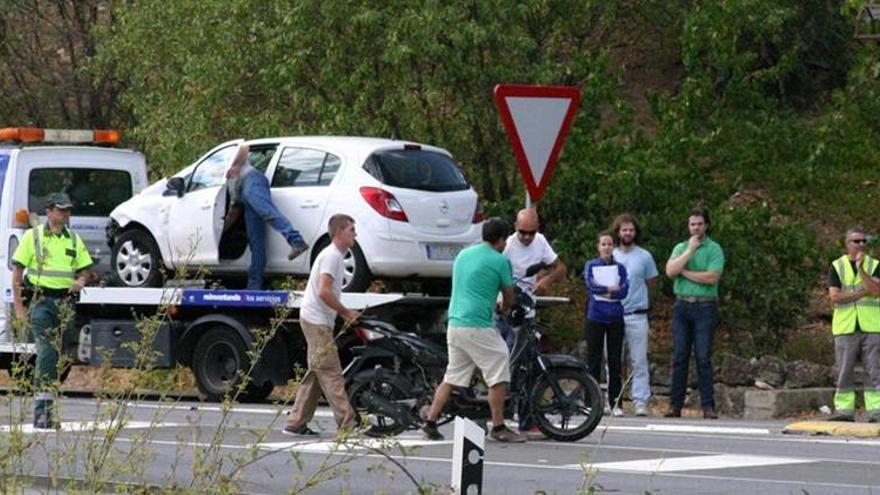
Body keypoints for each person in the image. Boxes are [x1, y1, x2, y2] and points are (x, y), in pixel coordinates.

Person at [422, 217, 526, 443]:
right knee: (499, 369)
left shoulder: (463, 255)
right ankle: (498, 426)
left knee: (452, 375)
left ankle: (430, 421)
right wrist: (505, 308)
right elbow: (509, 295)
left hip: (456, 323)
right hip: (477, 325)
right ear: (501, 240)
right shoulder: (499, 261)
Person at [12, 192, 93, 429]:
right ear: (49, 211)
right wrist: (19, 308)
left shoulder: (74, 240)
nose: (65, 214)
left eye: (68, 210)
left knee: (63, 357)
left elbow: (85, 269)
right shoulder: (33, 237)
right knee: (47, 352)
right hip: (41, 303)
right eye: (61, 209)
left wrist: (81, 280)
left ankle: (48, 406)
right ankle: (42, 415)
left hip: (65, 304)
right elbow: (16, 274)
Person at [282, 214, 360, 436]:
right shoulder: (332, 256)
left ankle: (296, 422)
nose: (355, 234)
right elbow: (324, 290)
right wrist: (345, 313)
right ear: (338, 232)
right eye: (351, 230)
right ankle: (347, 424)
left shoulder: (335, 255)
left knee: (318, 371)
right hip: (317, 320)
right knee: (331, 372)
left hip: (317, 319)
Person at [502, 207, 566, 438]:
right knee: (509, 360)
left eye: (531, 232)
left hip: (528, 309)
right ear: (515, 228)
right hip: (508, 310)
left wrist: (547, 279)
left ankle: (528, 419)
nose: (527, 237)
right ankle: (501, 412)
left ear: (537, 229)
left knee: (530, 364)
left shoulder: (541, 241)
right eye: (522, 233)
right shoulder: (508, 246)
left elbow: (560, 267)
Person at [664, 207, 724, 419]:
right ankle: (675, 405)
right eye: (692, 224)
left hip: (705, 307)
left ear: (706, 225)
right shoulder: (681, 247)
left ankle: (708, 406)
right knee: (680, 356)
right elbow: (670, 271)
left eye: (699, 224)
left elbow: (711, 278)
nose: (696, 228)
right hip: (682, 306)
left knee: (703, 356)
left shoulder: (715, 249)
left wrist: (685, 272)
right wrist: (689, 251)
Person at [225, 144, 309, 290]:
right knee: (255, 242)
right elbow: (234, 209)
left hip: (252, 181)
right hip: (245, 199)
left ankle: (296, 240)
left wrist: (236, 166)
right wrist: (223, 229)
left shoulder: (229, 158)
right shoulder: (227, 183)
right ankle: (254, 287)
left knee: (267, 212)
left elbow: (244, 147)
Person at [827, 226, 880, 422]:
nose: (861, 245)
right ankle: (844, 410)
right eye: (856, 241)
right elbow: (835, 296)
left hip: (872, 326)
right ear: (847, 244)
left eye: (864, 241)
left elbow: (876, 292)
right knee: (844, 370)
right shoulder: (837, 266)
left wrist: (861, 270)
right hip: (845, 326)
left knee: (874, 370)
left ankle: (876, 411)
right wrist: (862, 292)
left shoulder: (874, 265)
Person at [612, 213, 659, 417]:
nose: (627, 233)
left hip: (637, 314)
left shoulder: (645, 256)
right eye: (624, 230)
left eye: (631, 230)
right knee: (612, 360)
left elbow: (652, 283)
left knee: (638, 360)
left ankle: (640, 401)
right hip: (614, 313)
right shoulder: (611, 255)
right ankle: (615, 401)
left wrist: (648, 304)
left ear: (635, 232)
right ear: (618, 232)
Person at [583, 231, 629, 417]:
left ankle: (615, 402)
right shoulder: (591, 265)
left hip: (615, 317)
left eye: (610, 244)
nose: (607, 248)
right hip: (596, 316)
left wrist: (609, 293)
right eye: (603, 244)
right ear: (598, 247)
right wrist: (608, 288)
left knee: (615, 361)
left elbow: (624, 290)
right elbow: (591, 285)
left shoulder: (620, 268)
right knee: (593, 360)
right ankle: (591, 401)